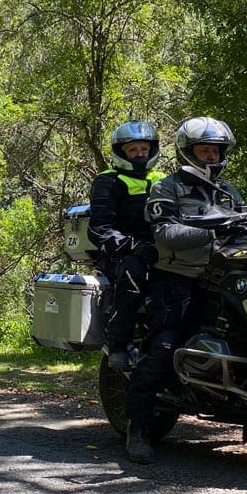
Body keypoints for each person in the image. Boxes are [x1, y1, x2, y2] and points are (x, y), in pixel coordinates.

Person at [125, 116, 247, 463]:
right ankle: (138, 428)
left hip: (224, 275)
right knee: (164, 345)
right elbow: (165, 234)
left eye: (216, 152)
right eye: (204, 151)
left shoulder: (228, 192)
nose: (211, 158)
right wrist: (213, 230)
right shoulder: (167, 188)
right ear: (188, 152)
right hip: (176, 277)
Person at [87, 120, 166, 370]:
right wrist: (132, 246)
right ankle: (118, 342)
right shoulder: (108, 181)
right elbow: (100, 227)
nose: (140, 155)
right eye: (133, 150)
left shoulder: (164, 180)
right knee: (134, 271)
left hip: (163, 249)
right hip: (120, 253)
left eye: (144, 149)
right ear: (121, 153)